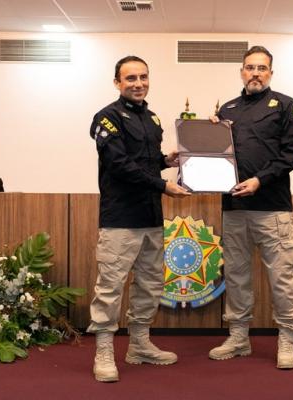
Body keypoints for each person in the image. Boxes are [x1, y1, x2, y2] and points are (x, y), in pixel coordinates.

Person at [88, 55, 190, 382]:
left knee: (150, 284)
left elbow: (143, 164)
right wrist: (162, 184)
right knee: (111, 287)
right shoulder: (106, 118)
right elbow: (119, 165)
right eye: (130, 78)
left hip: (150, 217)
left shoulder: (153, 118)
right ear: (117, 82)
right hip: (120, 218)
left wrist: (165, 159)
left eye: (143, 77)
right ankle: (104, 351)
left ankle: (139, 345)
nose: (138, 83)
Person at [209, 46, 293, 369]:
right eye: (250, 67)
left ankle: (287, 340)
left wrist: (259, 180)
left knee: (281, 277)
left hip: (272, 208)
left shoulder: (288, 107)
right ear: (241, 72)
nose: (255, 73)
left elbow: (292, 155)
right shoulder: (228, 109)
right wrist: (209, 134)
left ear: (271, 73)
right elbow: (216, 155)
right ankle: (239, 338)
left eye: (261, 68)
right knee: (236, 275)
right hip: (234, 208)